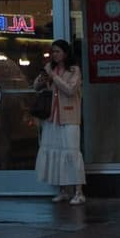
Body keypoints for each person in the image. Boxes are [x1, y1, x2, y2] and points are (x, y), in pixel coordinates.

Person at [37, 39, 86, 206]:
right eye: (53, 51)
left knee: (72, 152)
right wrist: (42, 78)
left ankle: (78, 191)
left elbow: (70, 89)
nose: (55, 55)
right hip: (52, 118)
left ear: (65, 53)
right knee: (57, 152)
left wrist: (53, 76)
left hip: (69, 116)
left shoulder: (74, 70)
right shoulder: (51, 69)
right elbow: (36, 86)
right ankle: (63, 190)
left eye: (58, 51)